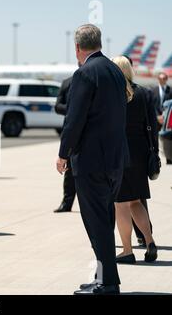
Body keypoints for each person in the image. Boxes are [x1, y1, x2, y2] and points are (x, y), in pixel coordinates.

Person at [57, 24, 129, 295]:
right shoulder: (115, 71)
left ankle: (107, 283)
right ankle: (103, 277)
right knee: (104, 221)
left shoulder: (84, 73)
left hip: (91, 161)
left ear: (77, 47)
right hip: (115, 160)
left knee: (96, 223)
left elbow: (74, 120)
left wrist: (64, 153)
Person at [111, 56, 158, 265]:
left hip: (119, 153)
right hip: (140, 154)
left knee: (120, 204)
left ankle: (127, 250)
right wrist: (153, 152)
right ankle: (149, 242)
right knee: (136, 201)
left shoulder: (112, 93)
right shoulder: (144, 93)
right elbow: (152, 127)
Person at [53, 76, 76, 213]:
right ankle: (66, 203)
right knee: (69, 170)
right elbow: (57, 106)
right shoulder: (67, 82)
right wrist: (75, 109)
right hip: (71, 128)